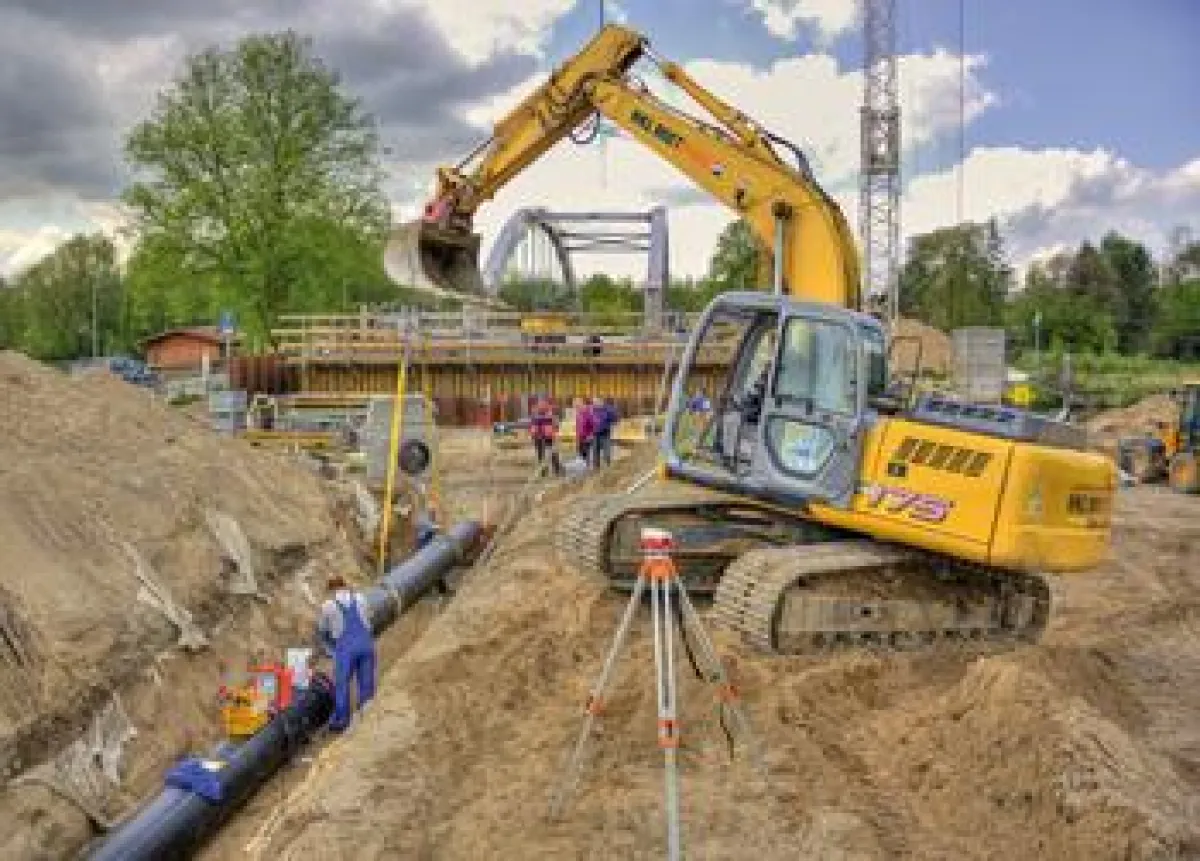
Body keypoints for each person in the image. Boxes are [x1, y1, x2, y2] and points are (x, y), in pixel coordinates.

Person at [316, 575, 377, 732]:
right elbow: (370, 618)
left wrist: (329, 648)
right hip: (366, 644)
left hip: (346, 649)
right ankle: (367, 716)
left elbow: (322, 630)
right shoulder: (360, 598)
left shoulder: (328, 605)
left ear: (331, 590)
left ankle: (342, 721)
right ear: (345, 586)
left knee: (342, 684)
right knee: (366, 681)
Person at [529, 396, 564, 476]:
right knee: (541, 454)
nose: (542, 405)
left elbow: (556, 424)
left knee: (553, 453)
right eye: (540, 404)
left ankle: (557, 469)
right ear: (538, 404)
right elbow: (532, 425)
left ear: (547, 404)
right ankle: (543, 471)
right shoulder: (535, 413)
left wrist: (555, 431)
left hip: (549, 436)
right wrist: (533, 434)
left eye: (544, 403)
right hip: (538, 436)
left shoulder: (551, 413)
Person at [590, 396, 618, 467]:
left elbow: (614, 419)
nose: (595, 404)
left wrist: (611, 424)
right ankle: (596, 466)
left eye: (596, 402)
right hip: (595, 433)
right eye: (594, 402)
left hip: (605, 432)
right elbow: (589, 421)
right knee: (595, 450)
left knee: (606, 450)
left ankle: (607, 464)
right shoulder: (592, 410)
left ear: (601, 401)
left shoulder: (608, 409)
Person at [574, 397, 595, 467]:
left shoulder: (588, 412)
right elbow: (578, 427)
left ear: (582, 403)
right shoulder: (578, 413)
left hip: (587, 437)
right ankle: (584, 468)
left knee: (587, 455)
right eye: (575, 405)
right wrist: (577, 438)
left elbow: (593, 424)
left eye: (577, 404)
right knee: (581, 454)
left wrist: (591, 435)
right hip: (581, 437)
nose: (575, 406)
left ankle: (589, 467)